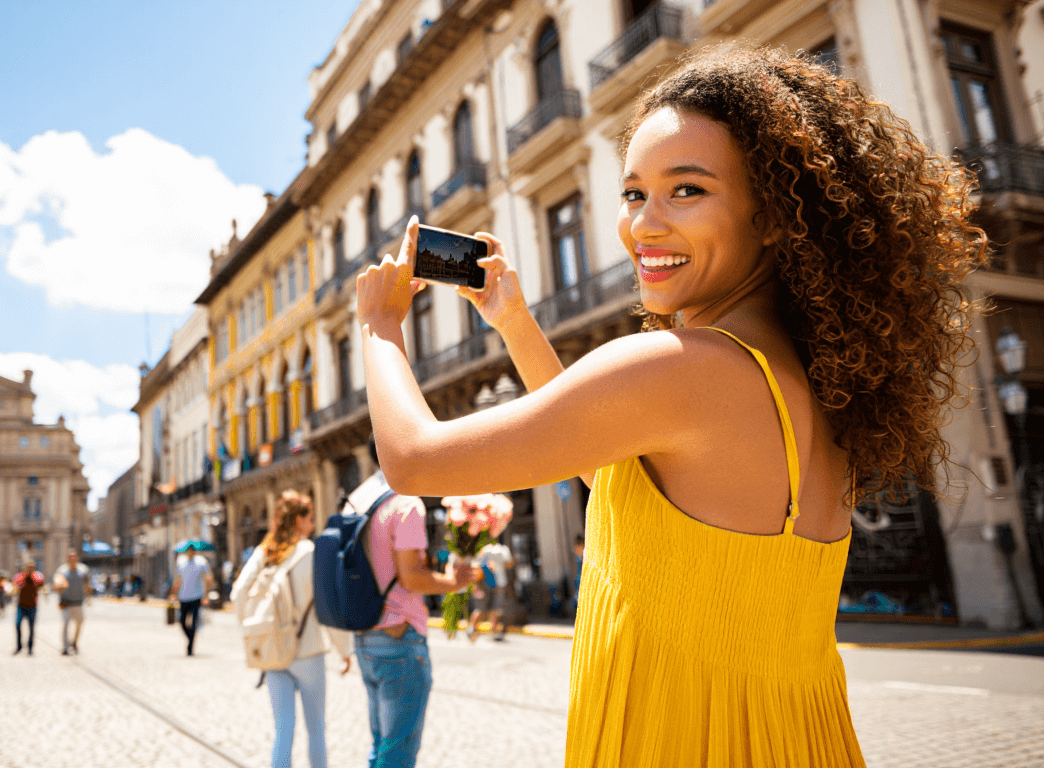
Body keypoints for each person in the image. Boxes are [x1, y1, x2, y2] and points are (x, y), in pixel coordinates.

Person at [354, 45, 987, 765]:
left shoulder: (681, 370)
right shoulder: (807, 387)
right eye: (632, 194)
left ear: (775, 214)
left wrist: (380, 326)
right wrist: (515, 323)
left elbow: (412, 459)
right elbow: (622, 486)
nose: (643, 227)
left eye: (686, 190)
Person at [343, 442, 479, 768]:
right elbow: (411, 577)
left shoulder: (356, 498)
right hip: (399, 635)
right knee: (399, 751)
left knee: (381, 745)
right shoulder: (405, 503)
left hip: (364, 633)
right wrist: (453, 583)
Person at [230, 491, 354, 768]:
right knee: (316, 731)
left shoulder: (264, 552)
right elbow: (327, 605)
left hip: (273, 652)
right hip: (308, 650)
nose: (312, 524)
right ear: (298, 520)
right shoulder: (310, 552)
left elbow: (238, 593)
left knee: (282, 732)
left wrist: (254, 631)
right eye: (309, 518)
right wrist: (345, 649)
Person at [168, 543, 212, 656]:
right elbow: (178, 579)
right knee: (182, 621)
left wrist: (206, 595)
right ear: (186, 552)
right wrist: (173, 593)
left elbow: (206, 579)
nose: (190, 552)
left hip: (196, 596)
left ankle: (190, 646)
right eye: (188, 551)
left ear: (194, 552)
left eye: (192, 550)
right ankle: (189, 639)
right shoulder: (181, 563)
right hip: (183, 597)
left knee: (193, 623)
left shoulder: (201, 562)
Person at [468, 540, 513, 642]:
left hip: (487, 583)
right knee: (494, 609)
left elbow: (474, 565)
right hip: (496, 583)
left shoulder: (484, 550)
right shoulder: (503, 550)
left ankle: (473, 628)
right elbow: (509, 564)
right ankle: (492, 631)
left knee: (485, 609)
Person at [53, 550, 90, 655]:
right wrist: (59, 586)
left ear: (76, 558)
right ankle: (65, 647)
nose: (72, 560)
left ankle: (74, 642)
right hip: (66, 603)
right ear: (68, 559)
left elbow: (86, 584)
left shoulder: (83, 569)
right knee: (65, 625)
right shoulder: (62, 570)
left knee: (80, 624)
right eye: (70, 558)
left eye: (74, 558)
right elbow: (56, 584)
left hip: (78, 603)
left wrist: (88, 598)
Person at [13, 561, 43, 655]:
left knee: (31, 628)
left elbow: (40, 584)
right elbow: (17, 586)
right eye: (28, 567)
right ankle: (19, 646)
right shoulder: (20, 576)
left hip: (32, 606)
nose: (30, 569)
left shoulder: (37, 576)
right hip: (21, 606)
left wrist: (31, 577)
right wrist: (25, 577)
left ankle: (30, 647)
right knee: (17, 625)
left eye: (32, 567)